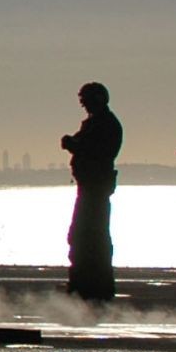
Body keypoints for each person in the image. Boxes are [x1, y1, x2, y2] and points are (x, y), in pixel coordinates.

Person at [60, 81, 122, 300]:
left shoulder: (104, 124)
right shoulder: (98, 123)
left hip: (94, 188)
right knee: (83, 236)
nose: (83, 105)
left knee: (90, 236)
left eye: (86, 100)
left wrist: (71, 144)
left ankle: (93, 283)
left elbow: (93, 150)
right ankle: (85, 281)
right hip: (89, 187)